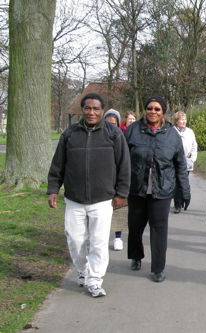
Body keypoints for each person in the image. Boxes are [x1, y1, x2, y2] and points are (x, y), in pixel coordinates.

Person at [47, 93, 130, 298]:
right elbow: (58, 164)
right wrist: (53, 189)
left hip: (102, 199)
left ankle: (95, 280)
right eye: (87, 108)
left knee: (99, 241)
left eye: (95, 108)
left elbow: (124, 165)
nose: (91, 112)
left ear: (102, 111)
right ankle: (82, 271)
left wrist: (122, 193)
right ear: (82, 110)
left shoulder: (114, 134)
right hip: (74, 198)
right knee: (75, 240)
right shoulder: (70, 134)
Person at [125, 96, 191, 283]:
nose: (152, 111)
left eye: (157, 109)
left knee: (159, 230)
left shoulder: (172, 135)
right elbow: (121, 160)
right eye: (149, 108)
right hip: (137, 189)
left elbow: (180, 165)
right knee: (135, 226)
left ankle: (158, 267)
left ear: (163, 112)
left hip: (162, 190)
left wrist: (185, 191)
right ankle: (136, 256)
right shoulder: (133, 131)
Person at [104, 108, 126, 251]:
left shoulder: (122, 138)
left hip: (117, 180)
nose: (111, 126)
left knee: (119, 211)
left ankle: (118, 237)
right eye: (108, 123)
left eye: (114, 123)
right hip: (103, 181)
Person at [172, 111, 198, 213]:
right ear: (176, 121)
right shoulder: (172, 131)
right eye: (181, 119)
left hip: (186, 161)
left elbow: (194, 146)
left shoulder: (190, 132)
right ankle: (177, 205)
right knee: (176, 183)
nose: (184, 121)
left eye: (185, 119)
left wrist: (193, 158)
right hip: (174, 161)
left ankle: (183, 199)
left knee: (184, 182)